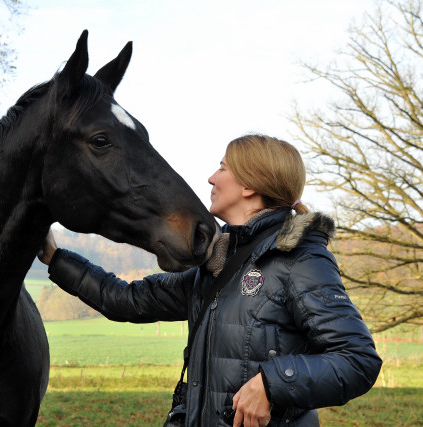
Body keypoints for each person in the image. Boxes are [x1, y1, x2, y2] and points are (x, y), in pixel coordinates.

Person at [37, 134, 382, 427]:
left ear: (250, 184)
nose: (211, 178)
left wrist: (272, 383)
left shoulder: (299, 257)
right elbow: (127, 300)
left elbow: (358, 360)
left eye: (223, 168)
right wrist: (57, 259)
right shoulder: (216, 264)